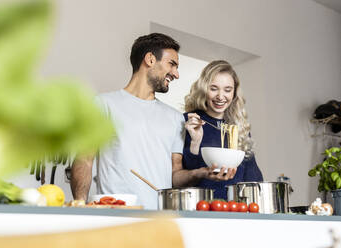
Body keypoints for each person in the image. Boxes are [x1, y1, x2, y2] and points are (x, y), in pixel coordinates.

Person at [71, 33, 196, 209]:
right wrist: (80, 206)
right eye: (172, 64)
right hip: (114, 215)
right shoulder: (102, 105)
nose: (176, 74)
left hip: (160, 219)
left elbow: (176, 173)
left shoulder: (176, 118)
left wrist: (202, 172)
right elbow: (84, 159)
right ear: (150, 59)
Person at [182, 60, 263, 199]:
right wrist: (195, 144)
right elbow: (184, 177)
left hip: (235, 209)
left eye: (227, 90)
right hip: (200, 207)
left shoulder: (240, 127)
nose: (220, 96)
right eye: (213, 88)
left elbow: (252, 175)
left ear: (234, 92)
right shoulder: (190, 121)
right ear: (204, 89)